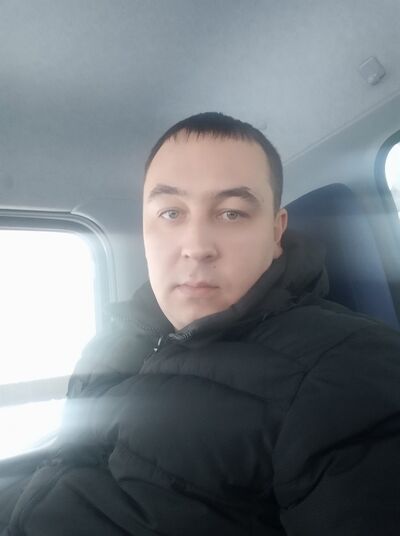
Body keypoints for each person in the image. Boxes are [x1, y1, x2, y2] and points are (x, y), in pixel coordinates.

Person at [2, 112, 400, 535]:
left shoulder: (352, 370)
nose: (196, 246)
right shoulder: (121, 334)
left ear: (276, 233)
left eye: (231, 214)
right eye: (171, 213)